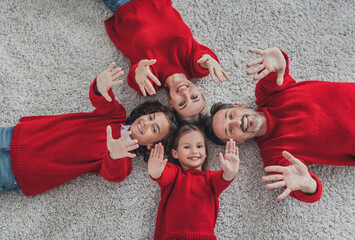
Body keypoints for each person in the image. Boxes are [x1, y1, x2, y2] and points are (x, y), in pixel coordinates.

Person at [204, 47, 355, 203]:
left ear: (239, 106)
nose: (237, 122)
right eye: (230, 130)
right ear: (237, 142)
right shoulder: (274, 156)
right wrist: (307, 184)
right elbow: (312, 193)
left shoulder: (267, 94)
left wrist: (278, 58)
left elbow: (277, 71)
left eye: (230, 115)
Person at [0, 63, 178, 196]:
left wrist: (115, 154)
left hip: (24, 169)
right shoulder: (116, 115)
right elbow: (101, 100)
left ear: (151, 146)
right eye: (150, 117)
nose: (147, 123)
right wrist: (100, 86)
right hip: (23, 136)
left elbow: (114, 174)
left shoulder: (125, 161)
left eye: (154, 130)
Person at [102, 0, 230, 123]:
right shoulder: (194, 66)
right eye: (194, 97)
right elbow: (203, 57)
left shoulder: (152, 83)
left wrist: (138, 71)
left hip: (125, 5)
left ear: (172, 105)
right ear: (199, 91)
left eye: (182, 104)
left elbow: (135, 81)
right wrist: (210, 61)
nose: (185, 94)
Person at [148, 125, 239, 239]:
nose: (194, 151)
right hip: (174, 236)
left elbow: (223, 179)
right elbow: (163, 176)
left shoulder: (209, 178)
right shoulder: (175, 173)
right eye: (187, 147)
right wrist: (155, 172)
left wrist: (230, 172)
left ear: (205, 153)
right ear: (175, 153)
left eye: (199, 146)